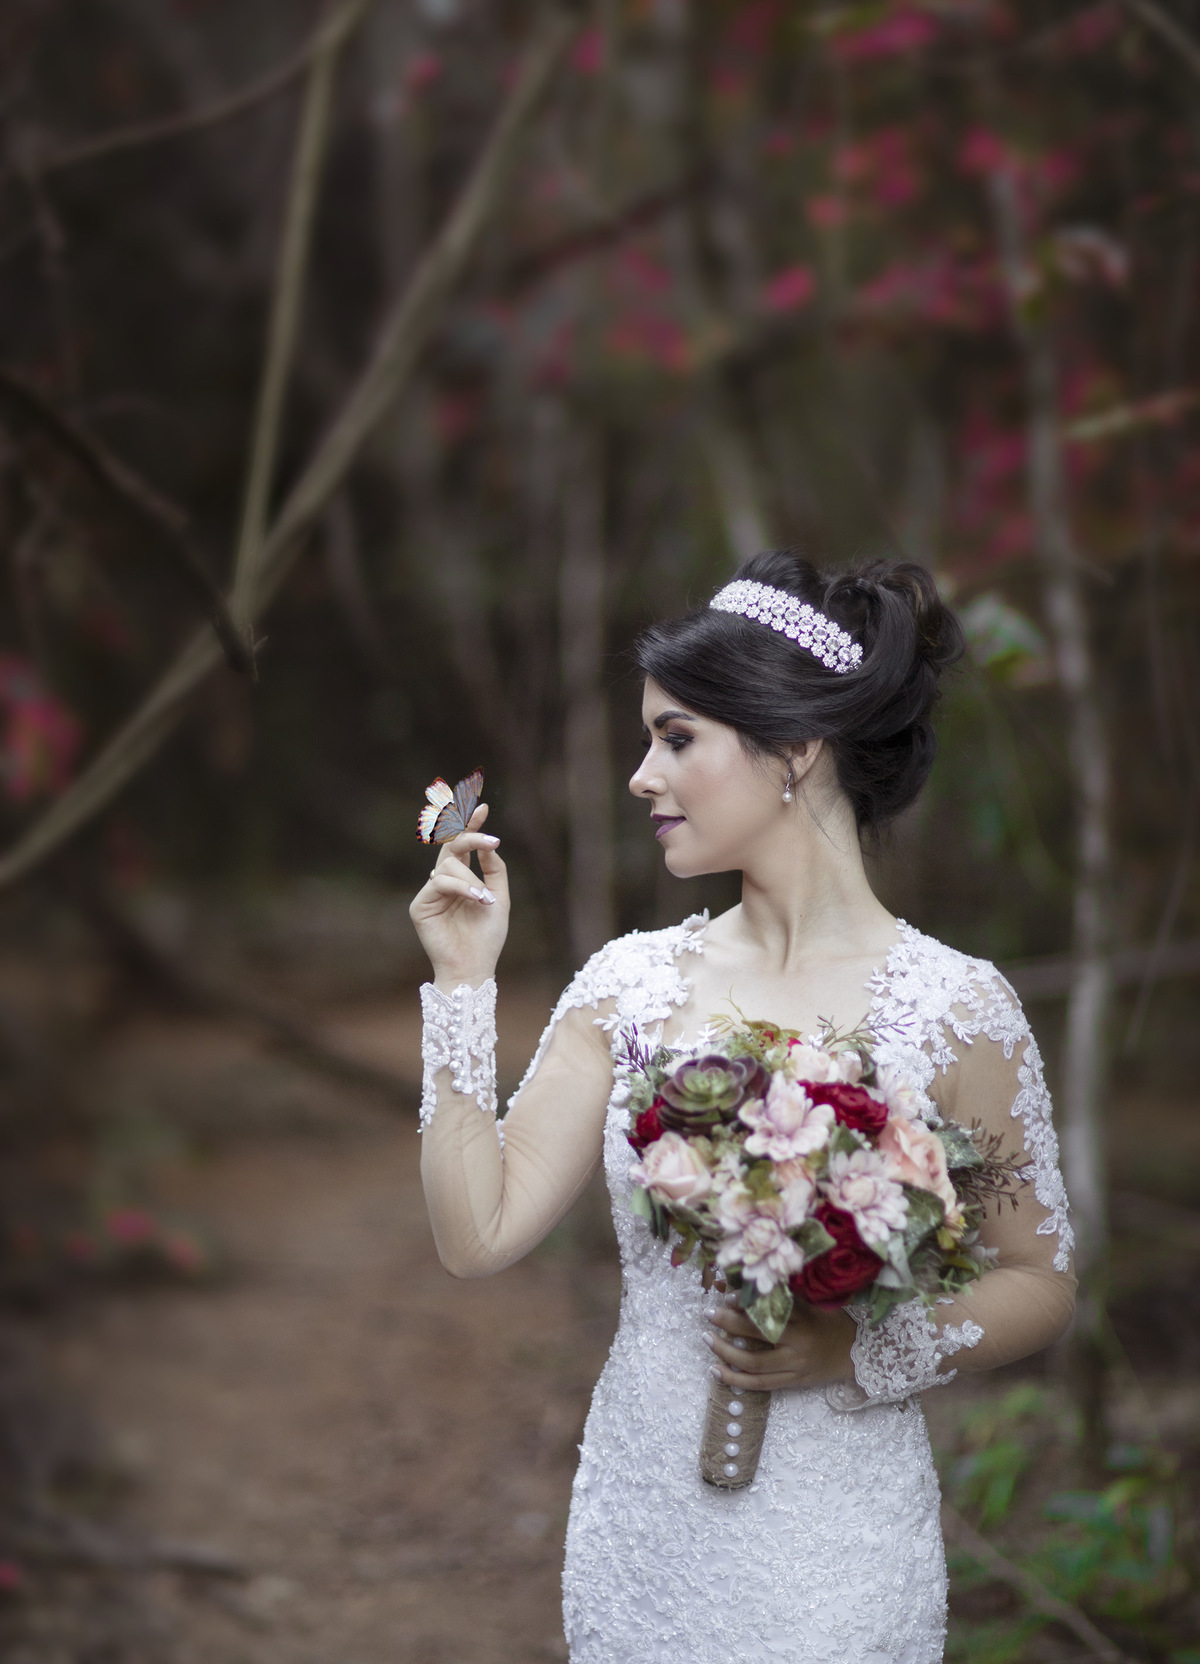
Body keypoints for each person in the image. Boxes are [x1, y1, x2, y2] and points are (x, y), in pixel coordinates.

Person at [410, 551, 1076, 1664]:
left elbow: (1040, 1283)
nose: (641, 776)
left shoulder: (960, 1009)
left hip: (837, 1552)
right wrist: (462, 985)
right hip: (645, 1532)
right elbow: (475, 1235)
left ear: (796, 747)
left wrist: (855, 1351)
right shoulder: (627, 988)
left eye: (675, 738)